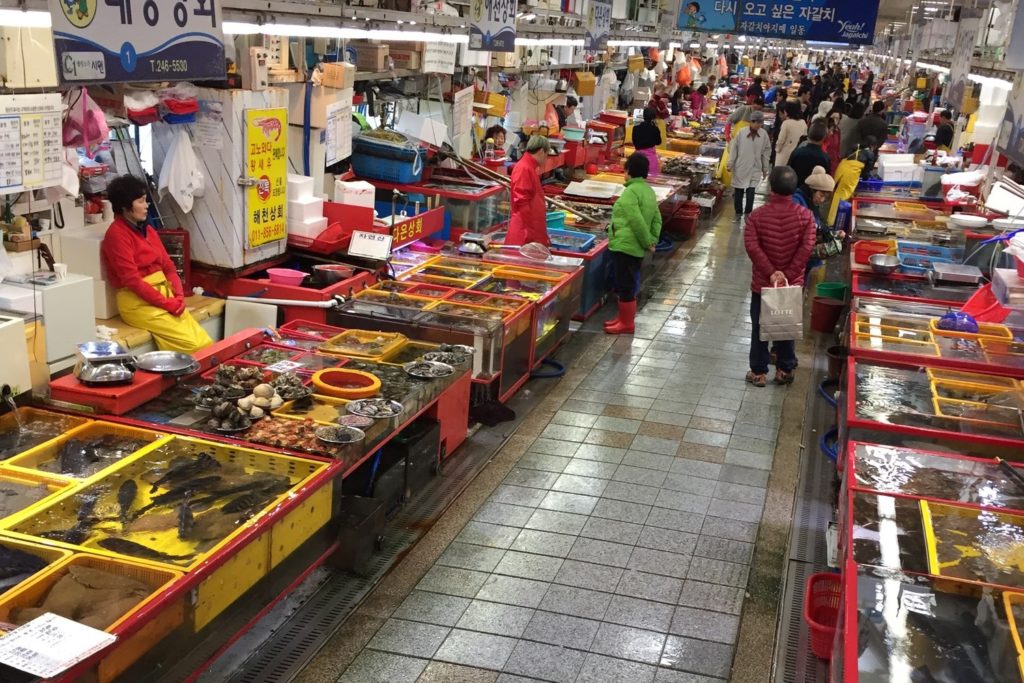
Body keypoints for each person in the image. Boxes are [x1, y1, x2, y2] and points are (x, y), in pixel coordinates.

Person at [100, 175, 213, 354]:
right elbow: (133, 281)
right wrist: (168, 304)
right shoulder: (116, 235)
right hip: (138, 303)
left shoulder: (149, 230)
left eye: (146, 200)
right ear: (124, 206)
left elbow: (168, 267)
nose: (146, 205)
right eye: (140, 201)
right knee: (193, 346)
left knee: (205, 341)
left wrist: (178, 297)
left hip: (166, 297)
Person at [743, 166, 816, 387]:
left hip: (763, 284)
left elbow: (752, 247)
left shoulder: (756, 217)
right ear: (794, 188)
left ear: (771, 187)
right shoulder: (806, 216)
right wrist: (787, 274)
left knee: (759, 325)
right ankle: (784, 369)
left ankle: (758, 373)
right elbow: (807, 248)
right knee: (786, 324)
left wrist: (771, 273)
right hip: (790, 284)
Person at [603, 153, 662, 335]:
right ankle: (622, 318)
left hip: (625, 245)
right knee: (627, 283)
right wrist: (653, 240)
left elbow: (635, 220)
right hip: (634, 247)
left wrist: (647, 242)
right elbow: (657, 219)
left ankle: (627, 323)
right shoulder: (649, 191)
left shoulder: (630, 192)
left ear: (629, 171)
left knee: (625, 285)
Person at [792, 166, 843, 281]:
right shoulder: (798, 202)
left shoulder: (810, 202)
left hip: (806, 259)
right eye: (821, 195)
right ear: (812, 190)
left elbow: (818, 225)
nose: (822, 200)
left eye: (825, 197)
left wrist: (832, 234)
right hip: (798, 259)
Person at [506, 135, 552, 247]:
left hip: (530, 232)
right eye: (547, 155)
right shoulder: (524, 168)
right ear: (541, 151)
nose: (546, 159)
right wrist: (530, 234)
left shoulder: (529, 167)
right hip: (524, 235)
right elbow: (522, 203)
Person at [727, 110, 771, 220]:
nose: (760, 125)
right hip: (741, 166)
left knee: (751, 190)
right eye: (758, 123)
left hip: (755, 167)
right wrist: (730, 163)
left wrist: (765, 168)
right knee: (739, 190)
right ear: (752, 121)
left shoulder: (763, 135)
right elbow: (734, 149)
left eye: (761, 123)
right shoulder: (742, 133)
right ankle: (738, 212)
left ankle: (748, 213)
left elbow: (766, 152)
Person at [787, 121, 832, 187]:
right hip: (813, 192)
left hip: (795, 189)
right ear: (824, 137)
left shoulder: (797, 152)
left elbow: (788, 171)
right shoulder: (825, 158)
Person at [775, 101, 807, 168]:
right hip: (797, 154)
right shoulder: (803, 122)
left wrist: (777, 149)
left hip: (784, 154)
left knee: (780, 175)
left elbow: (781, 140)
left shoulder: (786, 123)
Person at [631, 107, 662, 175]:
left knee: (637, 178)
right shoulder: (655, 129)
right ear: (653, 117)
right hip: (650, 159)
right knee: (651, 180)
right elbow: (659, 142)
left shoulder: (635, 128)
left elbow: (634, 142)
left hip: (636, 158)